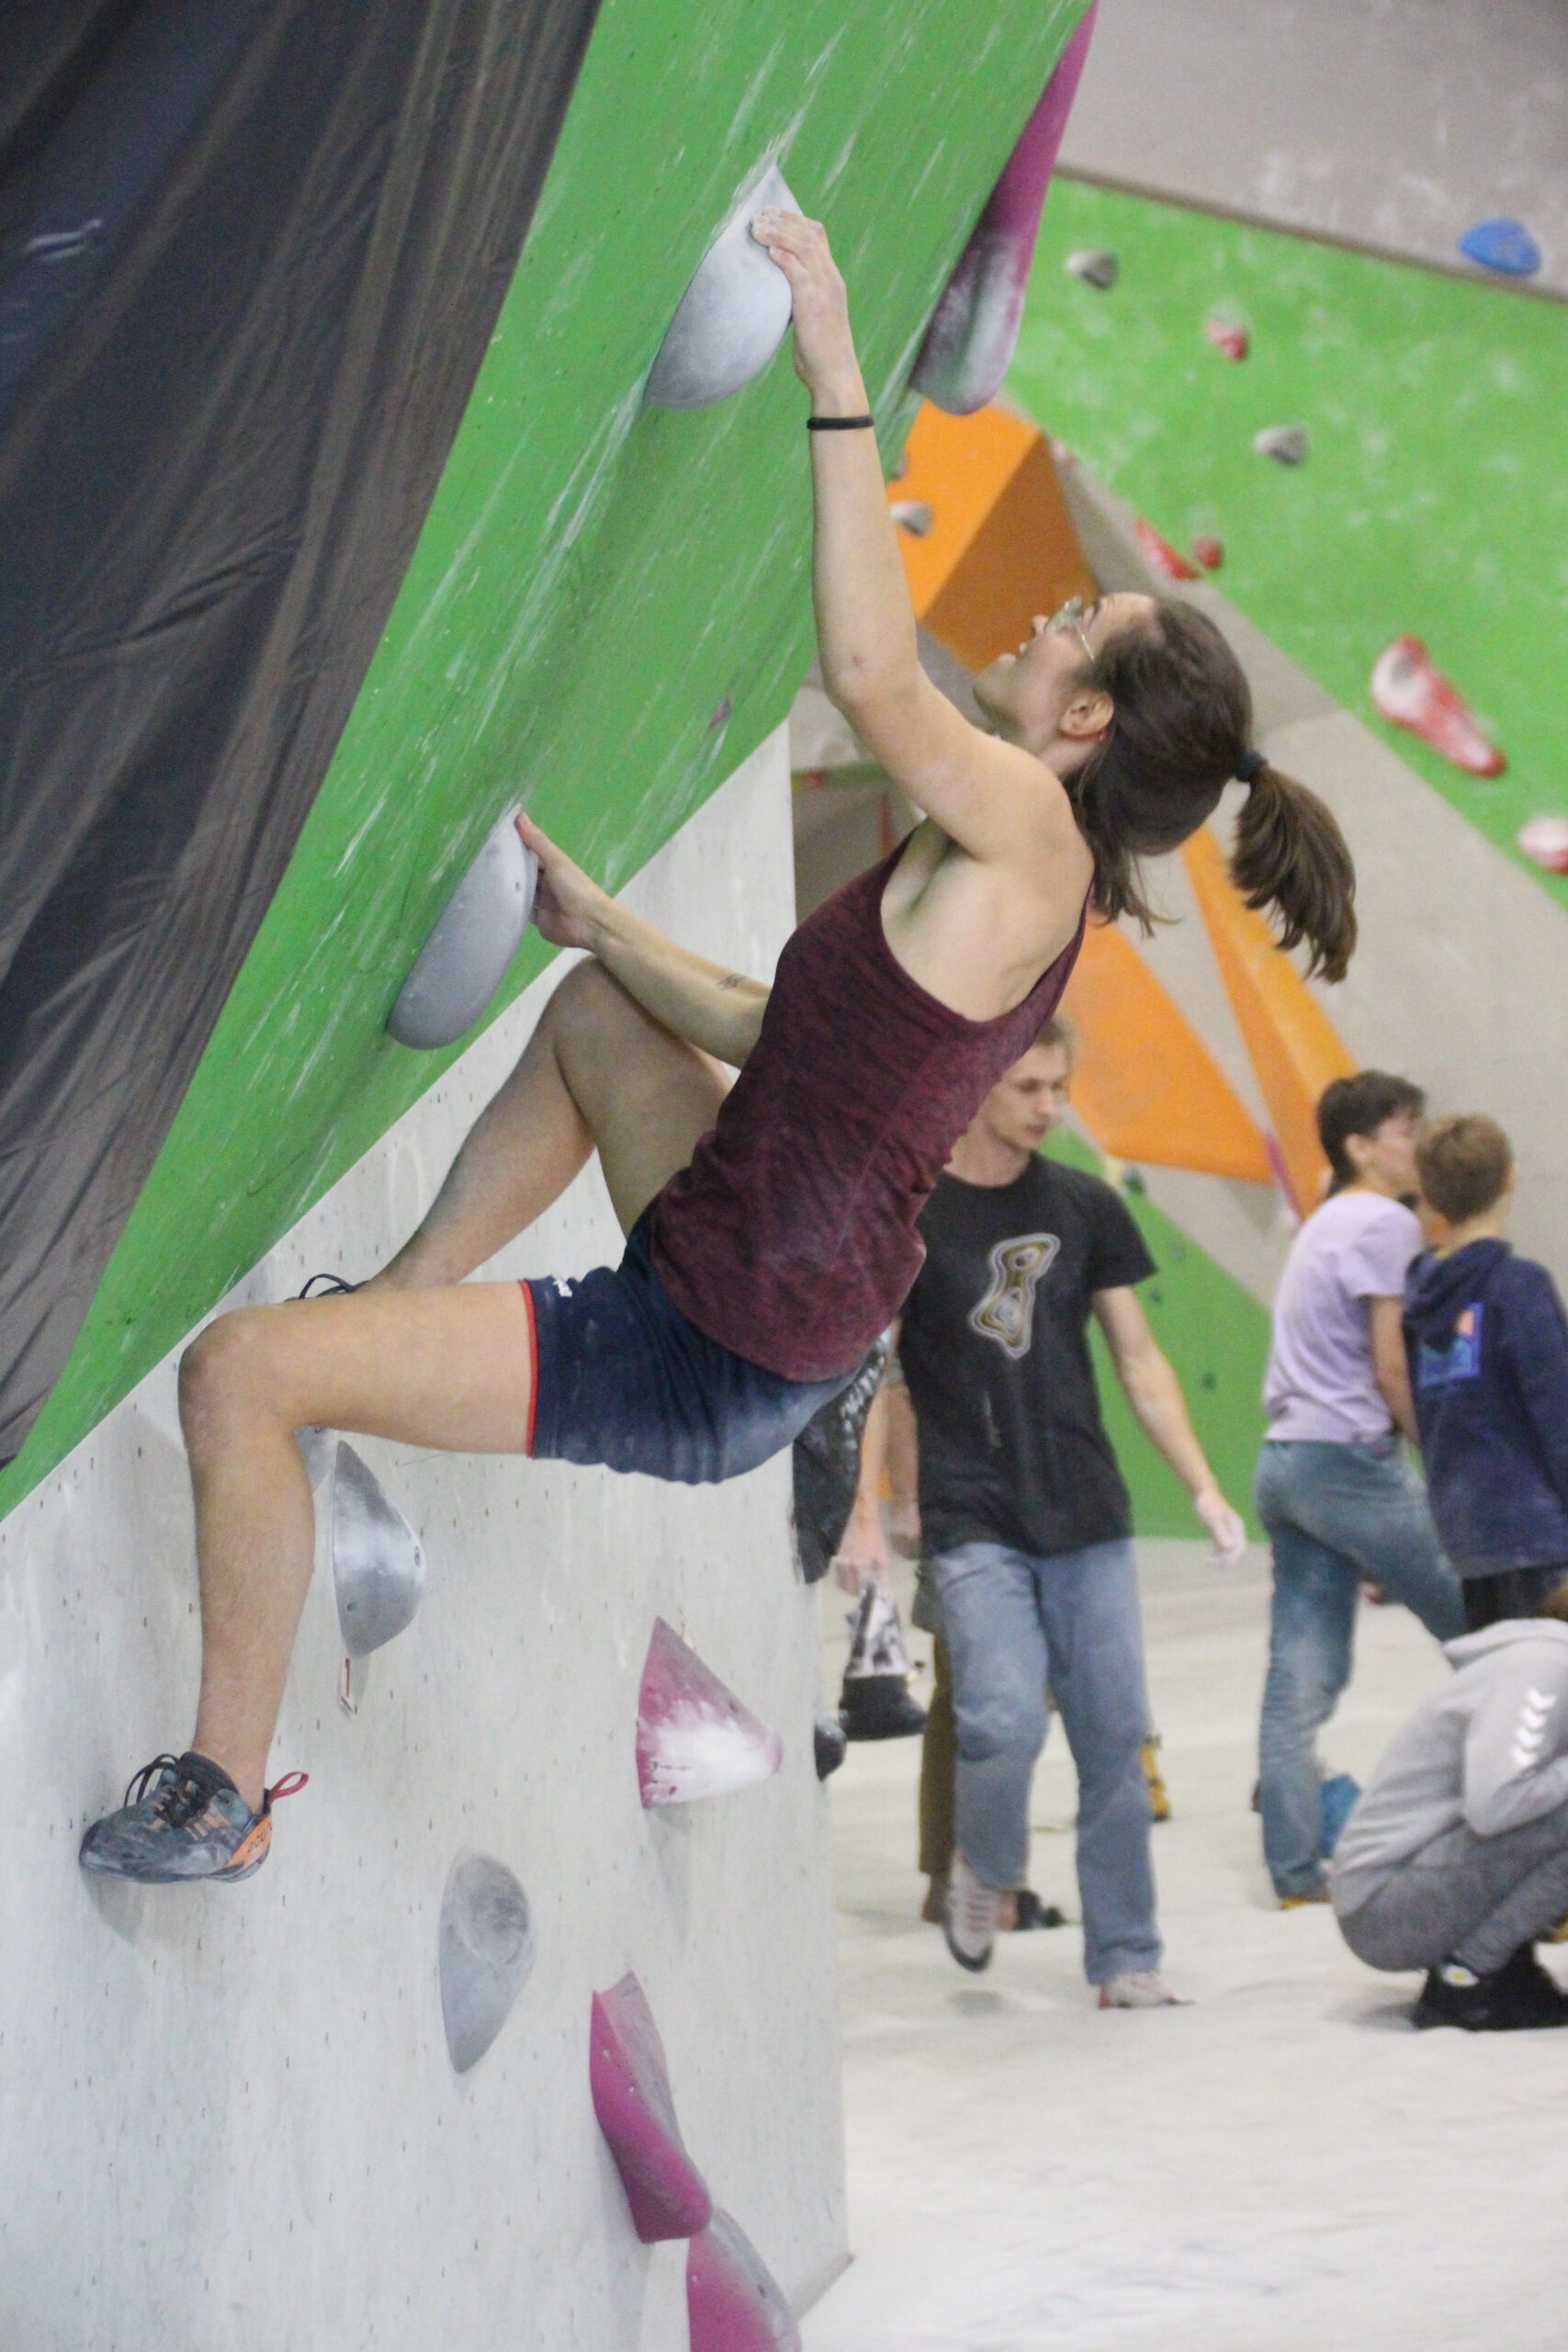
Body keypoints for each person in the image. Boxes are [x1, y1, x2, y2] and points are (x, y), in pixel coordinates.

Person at [79, 209, 1358, 1887]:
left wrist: (831, 355)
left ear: (1085, 718)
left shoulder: (1030, 837)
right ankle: (387, 1310)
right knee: (596, 1015)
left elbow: (867, 670)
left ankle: (225, 1796)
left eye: (1068, 618)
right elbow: (786, 1040)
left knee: (238, 1376)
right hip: (768, 1277)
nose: (1040, 621)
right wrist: (601, 926)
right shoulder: (995, 861)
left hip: (708, 1346)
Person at [834, 1021, 1248, 2007]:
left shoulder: (1085, 1205)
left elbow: (1139, 1362)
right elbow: (872, 1376)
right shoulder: (912, 1216)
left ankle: (1126, 1957)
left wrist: (1202, 1484)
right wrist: (864, 1516)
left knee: (1114, 1741)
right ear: (977, 1085)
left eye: (1058, 1086)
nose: (1048, 1107)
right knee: (1000, 1720)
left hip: (1087, 1511)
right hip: (972, 1515)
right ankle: (984, 1867)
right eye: (1027, 1086)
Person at [1256, 1073, 1464, 1908]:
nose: (1417, 1143)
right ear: (1359, 1147)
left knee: (1298, 1677)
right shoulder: (1385, 1223)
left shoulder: (1324, 1222)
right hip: (1347, 1463)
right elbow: (1390, 1368)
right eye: (1404, 1129)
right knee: (1488, 1635)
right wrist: (1440, 1460)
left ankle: (1294, 1871)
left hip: (1285, 1461)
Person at [1331, 1587, 1568, 2030]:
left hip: (1417, 1882)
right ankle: (1465, 1980)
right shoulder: (1541, 1670)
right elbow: (1496, 1805)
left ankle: (1498, 1967)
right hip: (1383, 1909)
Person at [1404, 1114, 1568, 1632]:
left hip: (1467, 1536)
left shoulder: (1419, 1298)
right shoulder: (1519, 1287)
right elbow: (1558, 1412)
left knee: (1500, 1670)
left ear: (1428, 1195)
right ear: (1510, 1178)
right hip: (1537, 1535)